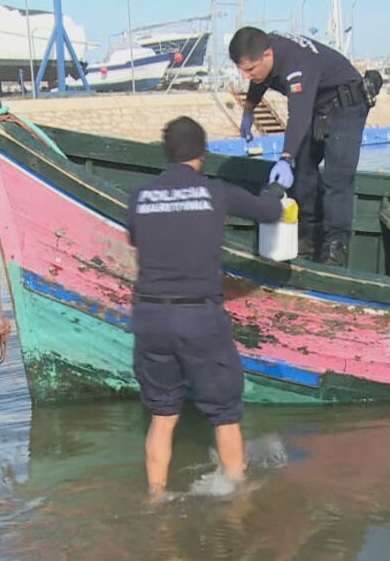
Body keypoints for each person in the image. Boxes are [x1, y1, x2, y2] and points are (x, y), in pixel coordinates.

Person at [126, 116, 283, 499]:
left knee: (162, 417)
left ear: (166, 154)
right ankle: (237, 499)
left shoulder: (139, 196)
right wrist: (277, 190)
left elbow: (137, 238)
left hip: (149, 315)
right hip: (198, 316)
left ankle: (156, 500)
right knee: (225, 415)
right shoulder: (217, 192)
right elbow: (270, 212)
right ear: (204, 154)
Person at [229, 26, 376, 266]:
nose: (245, 76)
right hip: (318, 104)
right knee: (303, 171)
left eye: (249, 69)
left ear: (267, 54)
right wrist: (248, 109)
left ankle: (335, 249)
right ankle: (307, 241)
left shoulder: (297, 65)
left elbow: (298, 116)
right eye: (241, 70)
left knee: (337, 177)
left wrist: (285, 158)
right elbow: (260, 79)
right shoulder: (263, 54)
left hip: (347, 104)